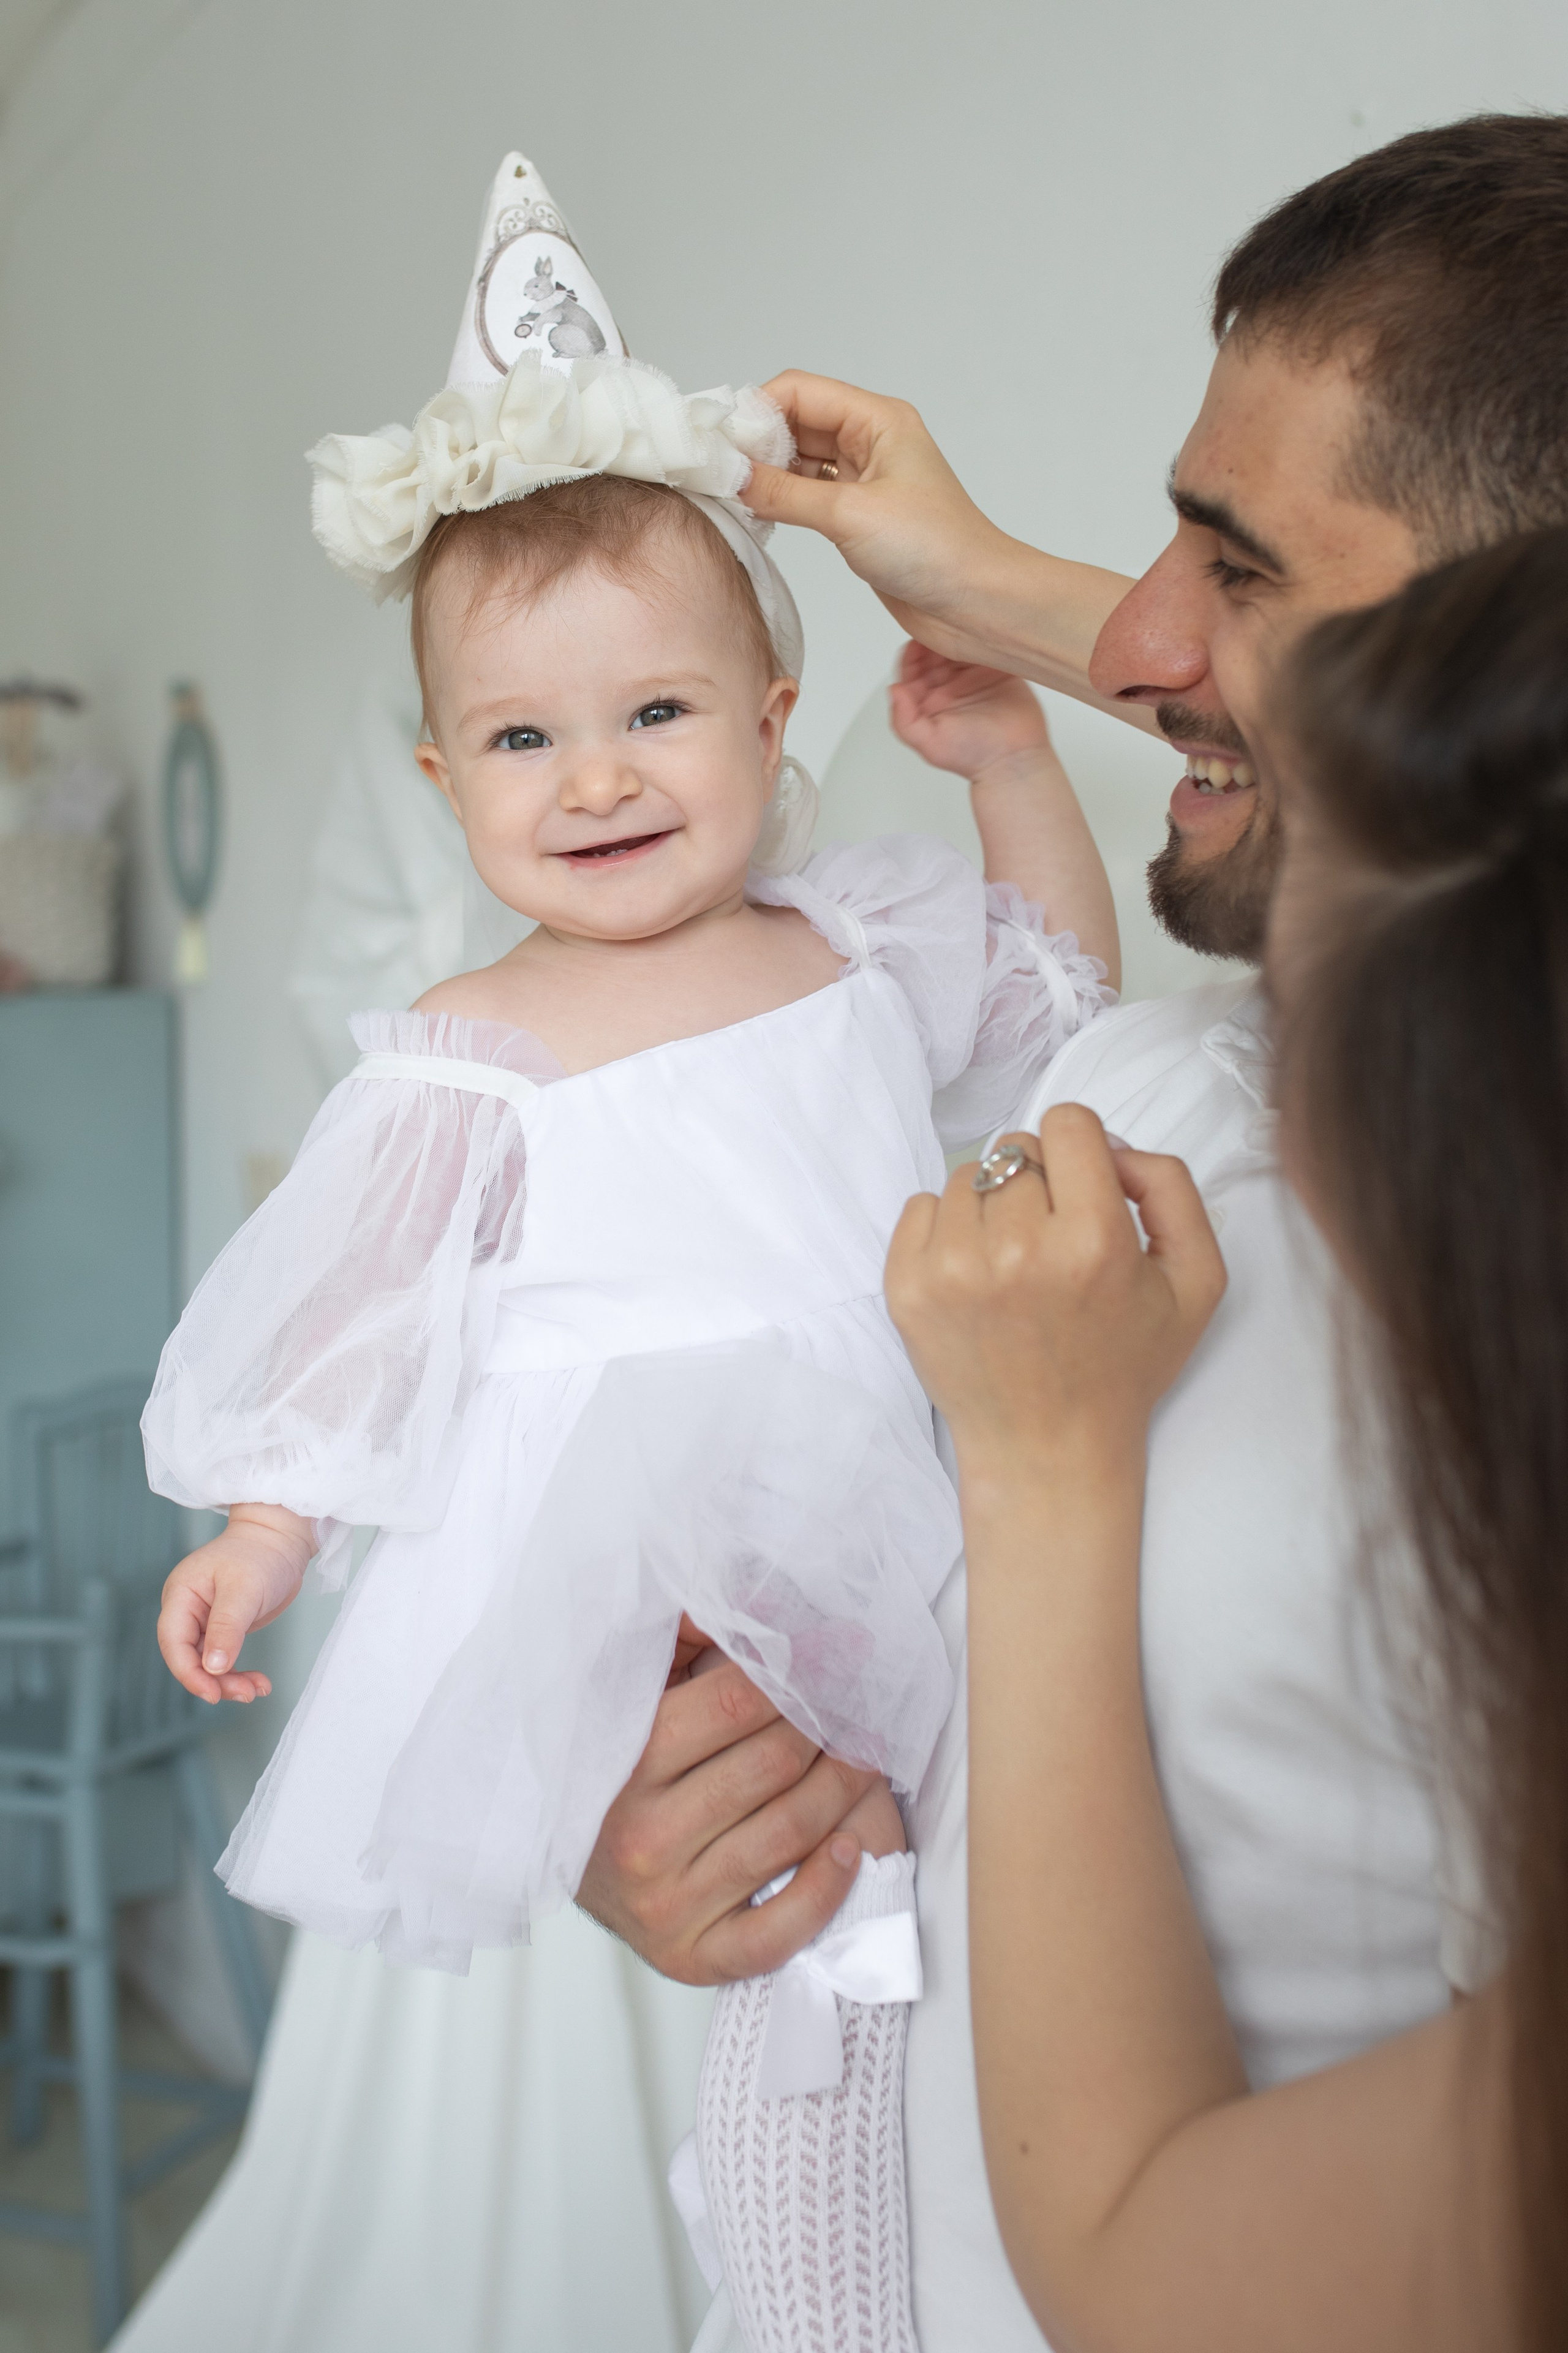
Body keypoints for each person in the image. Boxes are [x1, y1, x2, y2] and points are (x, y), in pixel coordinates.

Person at [577, 113, 1568, 2349]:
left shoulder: (1496, 1329)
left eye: (1235, 561)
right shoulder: (1119, 1088)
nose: (1135, 634)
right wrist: (689, 1812)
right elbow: (867, 1660)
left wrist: (1043, 1468)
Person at [141, 151, 1117, 2353]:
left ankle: (926, 2256)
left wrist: (1009, 769)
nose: (593, 777)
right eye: (521, 738)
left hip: (904, 1490)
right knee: (796, 1943)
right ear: (440, 773)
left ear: (777, 723)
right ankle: (800, 2289)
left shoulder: (847, 948)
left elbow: (1059, 996)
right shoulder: (472, 1049)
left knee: (958, 1926)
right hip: (650, 1562)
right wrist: (272, 1524)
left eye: (656, 714)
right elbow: (365, 1320)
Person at [888, 523, 1568, 2352]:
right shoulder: (1133, 1085)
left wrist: (1041, 1471)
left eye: (1317, 1020)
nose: (1260, 1076)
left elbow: (1139, 2262)